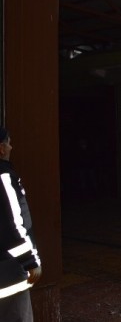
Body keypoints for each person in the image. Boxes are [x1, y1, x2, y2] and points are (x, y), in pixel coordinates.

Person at [0, 127, 41, 322]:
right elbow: (12, 224)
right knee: (17, 315)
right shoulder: (4, 176)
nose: (11, 146)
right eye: (8, 142)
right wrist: (29, 260)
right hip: (8, 266)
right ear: (1, 148)